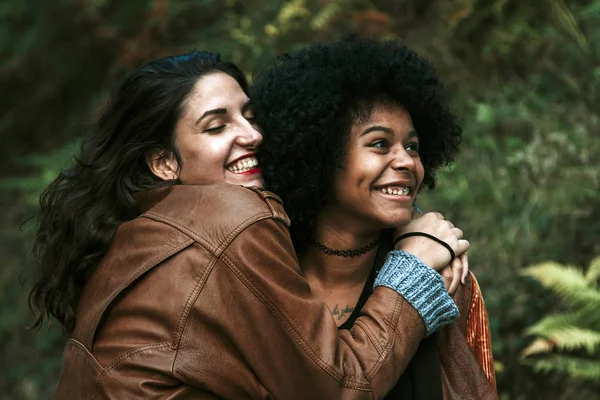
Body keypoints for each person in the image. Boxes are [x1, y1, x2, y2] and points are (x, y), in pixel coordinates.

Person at [30, 50, 470, 399]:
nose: (253, 135)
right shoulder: (235, 220)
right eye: (217, 126)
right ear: (164, 162)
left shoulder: (139, 229)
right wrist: (412, 273)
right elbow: (339, 388)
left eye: (250, 116)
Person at [252, 37, 497, 399]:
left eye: (412, 146)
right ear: (320, 154)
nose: (406, 162)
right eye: (380, 144)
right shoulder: (263, 272)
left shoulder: (449, 280)